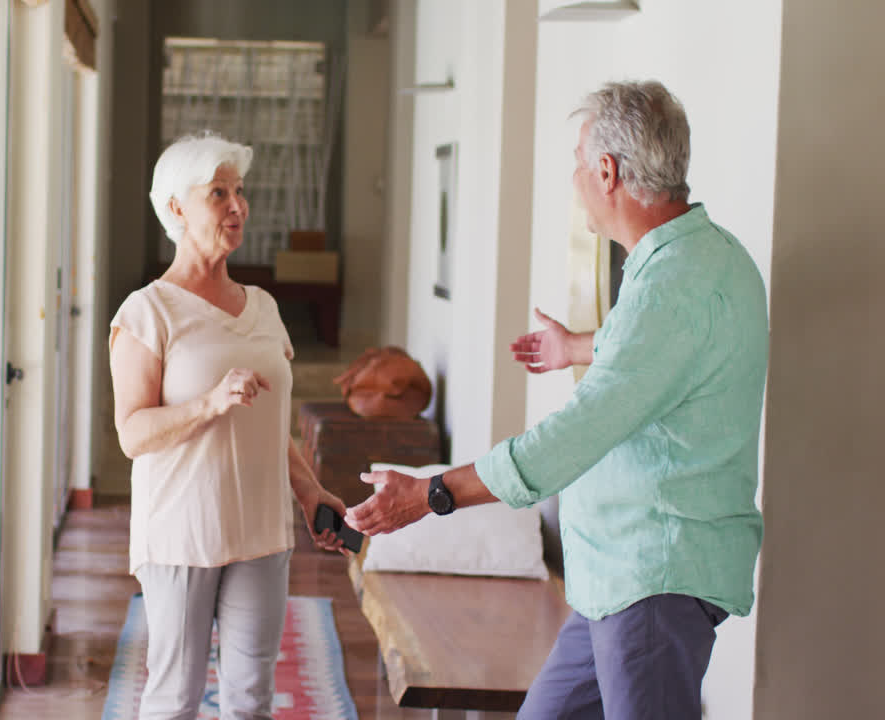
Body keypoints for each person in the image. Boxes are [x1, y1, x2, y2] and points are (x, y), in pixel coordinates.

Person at [345, 80, 768, 719]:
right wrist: (581, 347)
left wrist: (433, 495)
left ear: (607, 172)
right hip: (617, 579)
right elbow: (670, 358)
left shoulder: (668, 288)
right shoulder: (712, 258)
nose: (573, 177)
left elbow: (571, 438)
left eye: (577, 160)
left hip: (651, 580)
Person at [109, 131, 348, 720]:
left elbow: (272, 426)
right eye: (218, 193)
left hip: (261, 532)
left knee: (251, 699)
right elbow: (133, 434)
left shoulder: (265, 308)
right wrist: (209, 404)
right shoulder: (147, 312)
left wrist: (309, 488)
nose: (237, 206)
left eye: (239, 191)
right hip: (182, 533)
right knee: (176, 698)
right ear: (175, 208)